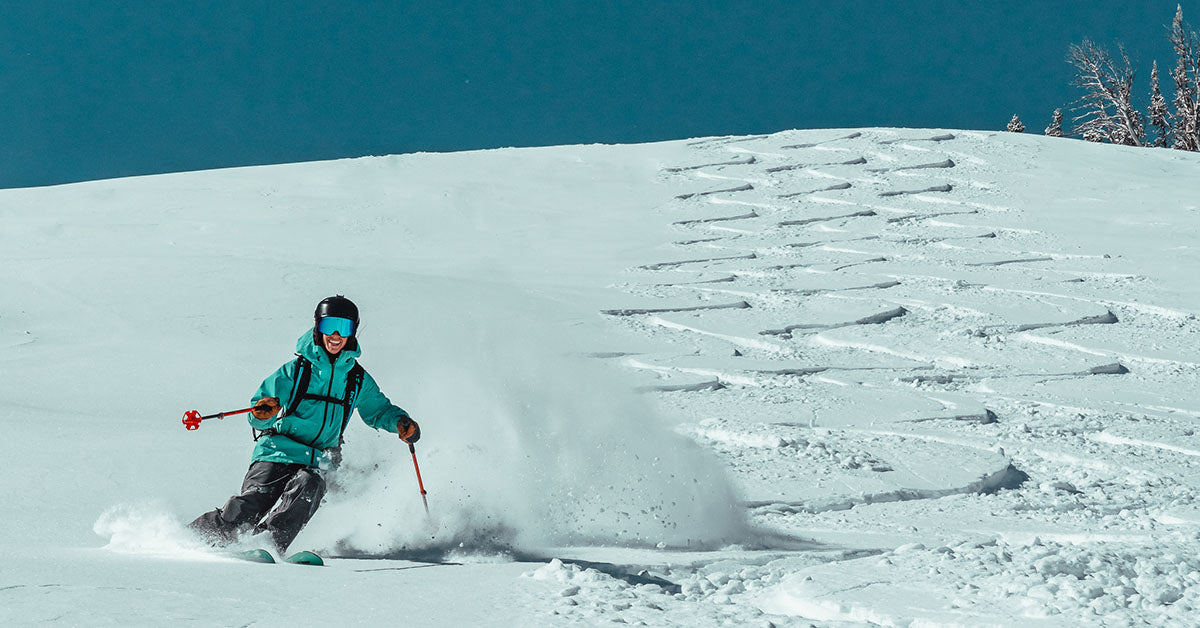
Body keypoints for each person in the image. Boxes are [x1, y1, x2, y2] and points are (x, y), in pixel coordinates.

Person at [189, 295, 419, 554]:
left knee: (309, 486)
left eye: (343, 328)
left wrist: (399, 422)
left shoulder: (356, 378)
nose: (335, 335)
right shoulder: (297, 370)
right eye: (328, 326)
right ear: (317, 327)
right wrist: (265, 412)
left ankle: (267, 543)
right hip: (276, 450)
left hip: (318, 458)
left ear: (352, 332)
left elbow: (377, 410)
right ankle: (194, 538)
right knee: (252, 503)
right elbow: (256, 413)